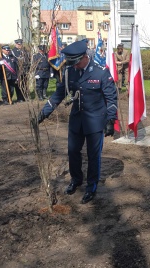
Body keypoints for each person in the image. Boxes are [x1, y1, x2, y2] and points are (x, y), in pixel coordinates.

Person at [37, 40, 118, 204]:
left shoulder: (101, 72)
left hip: (95, 121)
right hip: (77, 120)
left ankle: (91, 186)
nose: (74, 66)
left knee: (93, 155)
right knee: (73, 152)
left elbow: (111, 98)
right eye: (71, 63)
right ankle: (76, 180)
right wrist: (43, 113)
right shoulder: (70, 72)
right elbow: (58, 95)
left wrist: (111, 120)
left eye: (76, 62)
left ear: (84, 57)